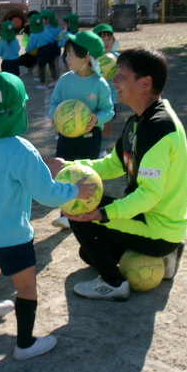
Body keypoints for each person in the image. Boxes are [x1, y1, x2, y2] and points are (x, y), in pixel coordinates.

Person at [0, 73, 97, 360]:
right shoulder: (22, 150)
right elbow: (46, 194)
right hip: (11, 236)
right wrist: (75, 190)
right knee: (26, 288)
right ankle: (25, 345)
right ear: (20, 109)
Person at [57, 48, 187, 301]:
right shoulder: (140, 121)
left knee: (77, 208)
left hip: (159, 228)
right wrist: (66, 165)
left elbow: (149, 195)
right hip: (154, 221)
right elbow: (112, 165)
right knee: (88, 254)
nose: (113, 82)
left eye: (121, 76)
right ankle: (166, 254)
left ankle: (113, 283)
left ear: (145, 83)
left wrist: (103, 214)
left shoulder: (158, 128)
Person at [48, 31, 114, 229]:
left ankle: (86, 210)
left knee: (86, 174)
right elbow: (54, 103)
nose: (66, 58)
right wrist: (54, 116)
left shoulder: (99, 84)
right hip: (66, 137)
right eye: (66, 53)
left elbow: (108, 110)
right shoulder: (65, 80)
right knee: (64, 172)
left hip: (90, 137)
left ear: (86, 58)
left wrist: (97, 118)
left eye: (70, 54)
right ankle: (65, 213)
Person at [93, 23, 120, 154]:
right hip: (93, 98)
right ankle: (93, 147)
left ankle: (102, 150)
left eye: (108, 39)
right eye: (101, 39)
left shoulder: (118, 58)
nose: (105, 42)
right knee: (93, 124)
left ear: (113, 41)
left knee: (107, 126)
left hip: (110, 99)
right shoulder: (91, 59)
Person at [23, 14, 59, 90]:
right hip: (50, 47)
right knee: (51, 64)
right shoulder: (44, 30)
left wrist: (26, 50)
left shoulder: (33, 34)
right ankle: (54, 80)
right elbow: (51, 38)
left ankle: (43, 84)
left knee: (42, 66)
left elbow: (31, 46)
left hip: (42, 50)